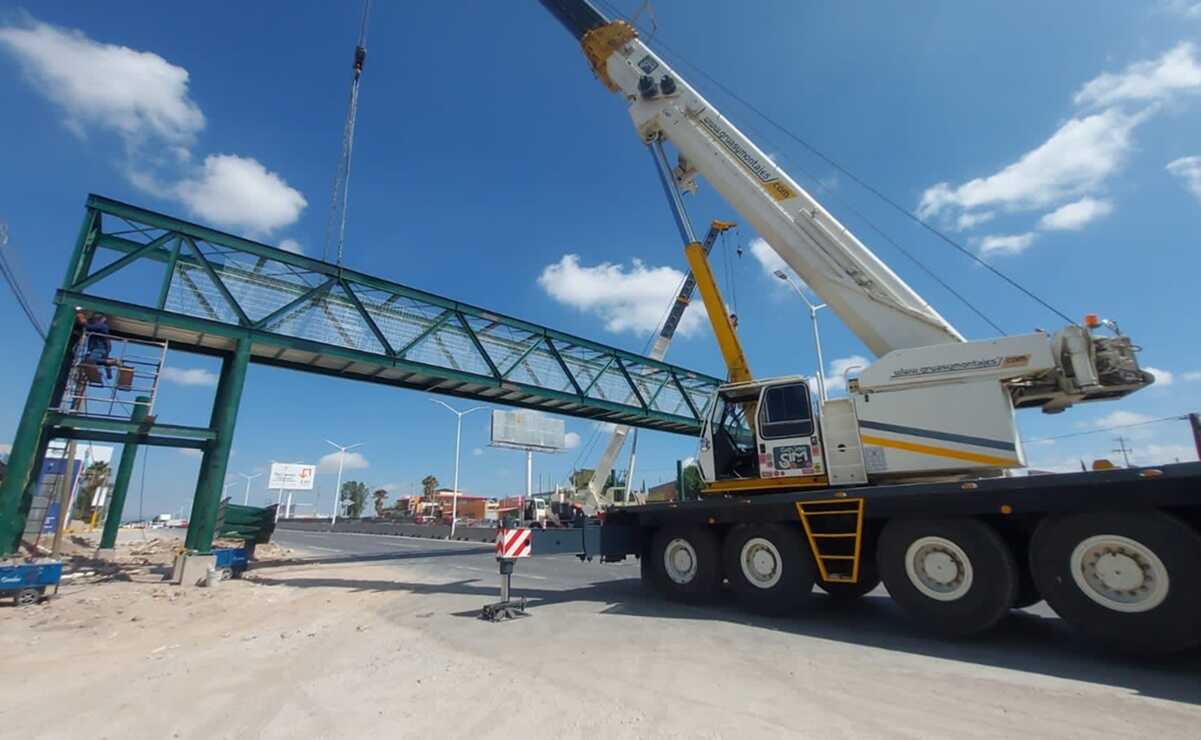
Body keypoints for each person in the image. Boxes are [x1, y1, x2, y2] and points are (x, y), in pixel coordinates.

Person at [78, 310, 115, 379]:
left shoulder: (102, 326)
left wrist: (83, 320)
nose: (95, 321)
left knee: (91, 360)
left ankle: (111, 362)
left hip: (99, 348)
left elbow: (90, 328)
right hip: (101, 348)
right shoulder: (101, 326)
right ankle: (109, 369)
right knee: (87, 360)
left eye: (96, 319)